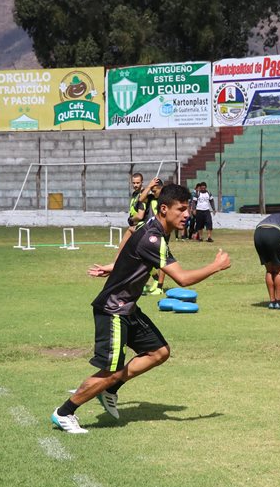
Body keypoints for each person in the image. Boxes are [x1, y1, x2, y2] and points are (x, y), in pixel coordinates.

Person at [52, 183, 231, 433]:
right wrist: (216, 266)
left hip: (128, 307)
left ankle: (110, 390)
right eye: (181, 209)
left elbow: (131, 243)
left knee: (159, 352)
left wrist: (114, 266)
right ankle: (64, 412)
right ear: (165, 208)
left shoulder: (153, 228)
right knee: (110, 372)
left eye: (188, 209)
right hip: (114, 309)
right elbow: (183, 279)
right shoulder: (154, 237)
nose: (187, 214)